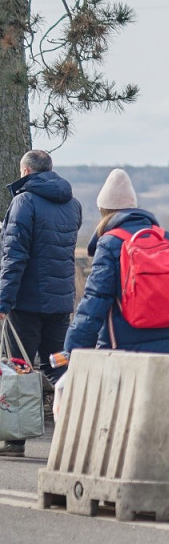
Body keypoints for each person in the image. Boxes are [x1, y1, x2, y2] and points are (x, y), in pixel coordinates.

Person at [62, 168, 169, 478]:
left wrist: (73, 351)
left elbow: (94, 302)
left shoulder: (111, 243)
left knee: (123, 406)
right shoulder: (168, 239)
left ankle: (130, 470)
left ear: (104, 210)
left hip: (126, 343)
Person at [0, 150, 83, 457]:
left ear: (25, 171)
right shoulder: (73, 205)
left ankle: (14, 439)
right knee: (58, 365)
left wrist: (3, 302)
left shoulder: (24, 201)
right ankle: (75, 433)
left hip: (26, 305)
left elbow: (14, 256)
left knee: (18, 368)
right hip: (60, 305)